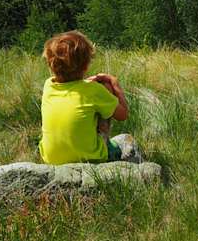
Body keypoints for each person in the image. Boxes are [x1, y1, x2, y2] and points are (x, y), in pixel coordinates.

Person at [39, 30, 141, 164]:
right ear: (86, 65)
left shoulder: (48, 86)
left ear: (51, 65)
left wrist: (86, 84)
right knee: (107, 89)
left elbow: (72, 89)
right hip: (91, 158)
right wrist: (114, 84)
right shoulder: (94, 91)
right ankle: (104, 148)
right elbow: (123, 115)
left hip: (52, 159)